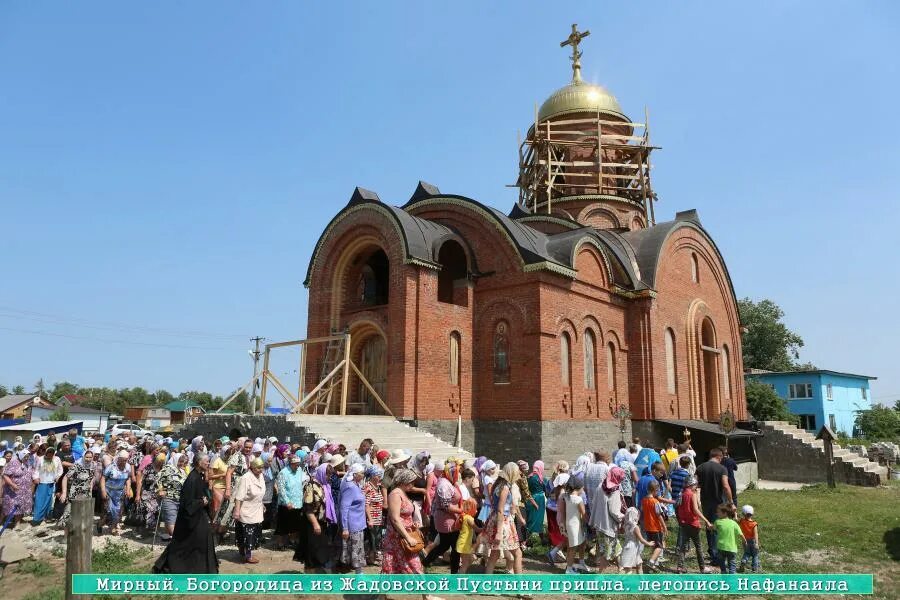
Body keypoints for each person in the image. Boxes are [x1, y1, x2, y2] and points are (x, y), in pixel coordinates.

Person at [153, 454, 218, 574]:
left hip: (197, 514)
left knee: (198, 540)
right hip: (190, 517)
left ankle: (199, 567)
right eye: (206, 462)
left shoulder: (198, 476)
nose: (208, 464)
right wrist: (201, 502)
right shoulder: (192, 479)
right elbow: (187, 503)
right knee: (186, 542)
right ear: (199, 462)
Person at [294, 463, 340, 572]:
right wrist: (315, 524)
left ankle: (317, 572)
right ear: (321, 473)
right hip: (311, 523)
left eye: (330, 475)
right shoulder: (311, 485)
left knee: (321, 549)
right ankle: (309, 574)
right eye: (327, 474)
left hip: (322, 522)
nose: (329, 477)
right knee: (312, 550)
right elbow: (308, 508)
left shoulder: (325, 485)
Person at [423, 461, 464, 573]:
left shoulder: (448, 482)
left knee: (445, 545)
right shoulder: (444, 485)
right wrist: (460, 510)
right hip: (446, 519)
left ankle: (425, 562)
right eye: (456, 473)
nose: (458, 475)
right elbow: (445, 505)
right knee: (454, 546)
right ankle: (454, 573)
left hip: (450, 517)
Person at [381, 468, 424, 574]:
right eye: (411, 482)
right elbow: (395, 519)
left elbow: (403, 515)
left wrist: (412, 524)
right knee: (410, 566)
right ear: (404, 481)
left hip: (405, 535)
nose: (413, 485)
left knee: (412, 566)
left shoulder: (402, 493)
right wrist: (408, 537)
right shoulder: (395, 495)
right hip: (398, 538)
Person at [483, 462, 523, 575]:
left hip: (495, 519)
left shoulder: (498, 485)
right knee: (517, 554)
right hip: (503, 523)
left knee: (494, 555)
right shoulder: (505, 487)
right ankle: (520, 583)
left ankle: (487, 581)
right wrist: (499, 532)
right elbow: (501, 510)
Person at [696, 448, 732, 564]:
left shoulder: (700, 467)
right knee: (717, 527)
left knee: (709, 525)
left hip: (705, 501)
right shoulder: (722, 468)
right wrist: (731, 502)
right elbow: (725, 486)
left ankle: (712, 551)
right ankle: (717, 556)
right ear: (719, 457)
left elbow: (696, 484)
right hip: (718, 502)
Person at [675, 476, 714, 574]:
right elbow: (697, 509)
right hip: (693, 523)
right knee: (698, 547)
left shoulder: (681, 494)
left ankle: (680, 567)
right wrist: (706, 521)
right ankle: (702, 568)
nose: (696, 487)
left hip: (683, 523)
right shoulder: (692, 494)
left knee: (683, 547)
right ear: (691, 484)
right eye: (695, 485)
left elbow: (677, 508)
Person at [590, 466, 625, 571]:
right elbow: (614, 511)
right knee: (607, 552)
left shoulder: (600, 486)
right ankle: (600, 575)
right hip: (608, 526)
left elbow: (594, 503)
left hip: (599, 524)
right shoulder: (614, 490)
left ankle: (621, 569)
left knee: (615, 547)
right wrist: (623, 518)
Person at [233, 456, 266, 564]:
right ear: (252, 468)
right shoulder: (246, 478)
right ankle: (248, 556)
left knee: (254, 532)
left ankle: (245, 552)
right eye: (258, 468)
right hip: (246, 510)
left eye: (262, 468)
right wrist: (237, 511)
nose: (260, 470)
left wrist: (262, 504)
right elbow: (239, 497)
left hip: (257, 508)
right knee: (248, 534)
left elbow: (260, 492)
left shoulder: (261, 476)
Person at [339, 463, 367, 574]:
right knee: (355, 550)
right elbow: (344, 508)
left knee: (358, 549)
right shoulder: (350, 487)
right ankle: (359, 574)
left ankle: (358, 573)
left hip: (359, 523)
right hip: (353, 524)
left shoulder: (356, 485)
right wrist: (345, 528)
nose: (363, 475)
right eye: (361, 473)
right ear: (355, 474)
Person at [274, 454, 307, 550]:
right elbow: (281, 489)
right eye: (296, 465)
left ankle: (292, 540)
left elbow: (303, 480)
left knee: (295, 524)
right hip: (286, 503)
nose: (298, 466)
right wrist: (287, 501)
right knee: (283, 524)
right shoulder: (283, 473)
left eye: (298, 464)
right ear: (291, 464)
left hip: (298, 501)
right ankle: (280, 543)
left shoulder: (299, 470)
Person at [58, 450, 97, 528]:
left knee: (83, 513)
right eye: (87, 457)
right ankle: (66, 529)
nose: (88, 459)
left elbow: (92, 477)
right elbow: (65, 478)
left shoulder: (93, 465)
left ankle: (78, 529)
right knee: (69, 511)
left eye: (90, 457)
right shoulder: (77, 465)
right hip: (75, 492)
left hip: (86, 493)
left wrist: (91, 487)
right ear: (83, 456)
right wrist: (64, 492)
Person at [156, 453, 188, 541]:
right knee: (171, 519)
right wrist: (160, 490)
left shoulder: (182, 471)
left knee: (174, 520)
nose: (182, 463)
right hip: (168, 498)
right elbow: (158, 479)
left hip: (180, 499)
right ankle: (179, 541)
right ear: (175, 460)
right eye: (180, 461)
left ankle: (171, 538)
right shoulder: (167, 468)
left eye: (183, 462)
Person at [561, 477, 589, 574]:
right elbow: (584, 514)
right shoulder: (578, 499)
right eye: (582, 488)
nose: (583, 490)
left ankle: (569, 566)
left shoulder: (567, 497)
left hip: (569, 524)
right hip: (575, 526)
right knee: (573, 548)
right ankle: (569, 569)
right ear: (578, 488)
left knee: (570, 547)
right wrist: (589, 522)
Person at [136, 452, 166, 535]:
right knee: (146, 510)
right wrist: (138, 495)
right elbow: (140, 481)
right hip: (146, 493)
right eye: (159, 461)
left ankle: (153, 529)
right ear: (155, 460)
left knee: (156, 511)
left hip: (158, 494)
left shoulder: (163, 469)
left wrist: (163, 490)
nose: (160, 463)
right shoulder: (149, 467)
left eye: (162, 461)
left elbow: (165, 482)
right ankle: (141, 528)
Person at [32, 446, 64, 525]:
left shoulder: (57, 459)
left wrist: (58, 476)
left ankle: (46, 517)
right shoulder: (40, 459)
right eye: (49, 453)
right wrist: (36, 478)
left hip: (52, 483)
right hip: (42, 482)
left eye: (52, 453)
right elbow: (36, 470)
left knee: (49, 501)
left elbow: (60, 469)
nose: (50, 454)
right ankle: (37, 518)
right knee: (40, 501)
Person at [619, 506, 655, 574]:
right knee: (628, 570)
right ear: (635, 516)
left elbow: (621, 532)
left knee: (639, 564)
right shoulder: (636, 527)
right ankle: (620, 580)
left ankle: (642, 579)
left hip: (627, 546)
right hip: (633, 548)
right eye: (638, 516)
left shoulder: (626, 526)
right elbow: (641, 540)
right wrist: (649, 543)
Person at [641, 480, 667, 571]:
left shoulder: (643, 500)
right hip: (655, 527)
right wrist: (664, 527)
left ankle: (653, 564)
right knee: (659, 547)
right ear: (655, 490)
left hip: (647, 527)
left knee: (654, 546)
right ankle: (651, 562)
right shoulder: (655, 501)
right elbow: (659, 515)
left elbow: (642, 511)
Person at [2, 448, 32, 528]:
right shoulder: (13, 463)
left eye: (28, 456)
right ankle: (1, 522)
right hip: (13, 490)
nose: (27, 458)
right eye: (25, 456)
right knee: (8, 507)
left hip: (24, 490)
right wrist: (12, 485)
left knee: (20, 507)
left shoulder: (27, 463)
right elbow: (5, 475)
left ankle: (17, 524)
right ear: (21, 455)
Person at [362, 465, 385, 565]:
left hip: (378, 518)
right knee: (371, 539)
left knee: (376, 538)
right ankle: (370, 558)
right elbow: (366, 504)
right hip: (371, 518)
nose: (380, 476)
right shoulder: (368, 487)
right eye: (377, 475)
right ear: (372, 476)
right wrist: (370, 519)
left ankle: (374, 556)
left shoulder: (377, 487)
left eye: (380, 475)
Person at [714, 503, 745, 574]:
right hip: (732, 548)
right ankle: (731, 576)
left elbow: (713, 528)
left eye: (718, 512)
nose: (717, 513)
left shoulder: (717, 522)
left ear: (725, 513)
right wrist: (744, 542)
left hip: (721, 547)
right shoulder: (734, 523)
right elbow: (741, 534)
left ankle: (723, 573)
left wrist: (710, 527)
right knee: (732, 564)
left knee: (721, 562)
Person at [456, 498, 482, 574]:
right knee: (465, 564)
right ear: (470, 509)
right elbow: (477, 529)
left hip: (462, 543)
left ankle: (461, 574)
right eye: (475, 509)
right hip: (464, 544)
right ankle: (460, 577)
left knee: (471, 559)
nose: (476, 511)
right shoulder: (469, 518)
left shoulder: (463, 516)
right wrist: (486, 527)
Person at [525, 461, 546, 541]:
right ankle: (541, 538)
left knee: (531, 519)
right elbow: (545, 489)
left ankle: (527, 539)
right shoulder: (541, 479)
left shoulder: (529, 477)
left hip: (530, 498)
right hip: (540, 499)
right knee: (539, 519)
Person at [739, 505, 760, 573]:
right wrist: (756, 543)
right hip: (753, 541)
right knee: (755, 555)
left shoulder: (742, 521)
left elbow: (736, 519)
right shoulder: (754, 524)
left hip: (745, 540)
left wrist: (735, 514)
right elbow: (756, 534)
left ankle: (744, 561)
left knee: (747, 553)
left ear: (743, 514)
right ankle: (754, 569)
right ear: (752, 514)